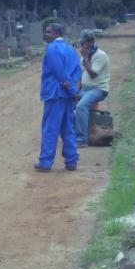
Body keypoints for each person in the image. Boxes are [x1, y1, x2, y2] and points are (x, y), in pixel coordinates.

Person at [34, 23, 81, 172]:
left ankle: (45, 162)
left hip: (55, 93)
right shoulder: (71, 49)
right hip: (67, 95)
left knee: (50, 128)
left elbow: (58, 71)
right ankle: (71, 160)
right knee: (68, 128)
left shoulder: (52, 49)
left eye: (48, 32)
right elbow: (78, 70)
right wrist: (72, 89)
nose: (45, 35)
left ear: (56, 33)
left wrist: (69, 86)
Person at [76, 29, 110, 147]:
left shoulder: (100, 55)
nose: (81, 46)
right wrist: (77, 90)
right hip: (85, 89)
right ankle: (73, 134)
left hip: (99, 89)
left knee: (81, 106)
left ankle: (82, 140)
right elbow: (81, 75)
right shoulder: (86, 55)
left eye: (83, 43)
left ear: (90, 42)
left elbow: (93, 74)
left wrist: (85, 58)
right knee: (68, 104)